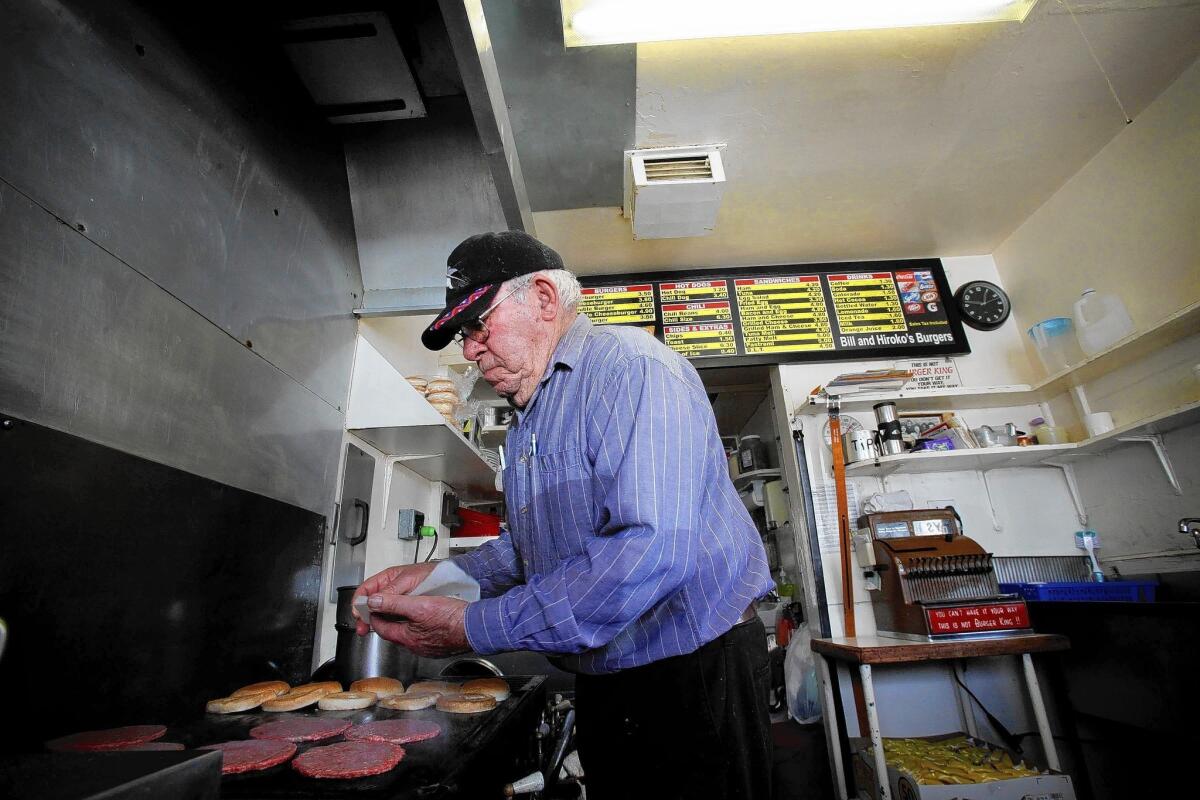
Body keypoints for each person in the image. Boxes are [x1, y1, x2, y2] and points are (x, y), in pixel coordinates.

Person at [353, 230, 775, 799]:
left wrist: (472, 627)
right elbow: (532, 546)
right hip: (608, 675)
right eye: (463, 334)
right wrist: (437, 577)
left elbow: (646, 550)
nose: (470, 350)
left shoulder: (632, 369)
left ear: (545, 299)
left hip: (691, 673)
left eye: (478, 325)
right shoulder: (534, 411)